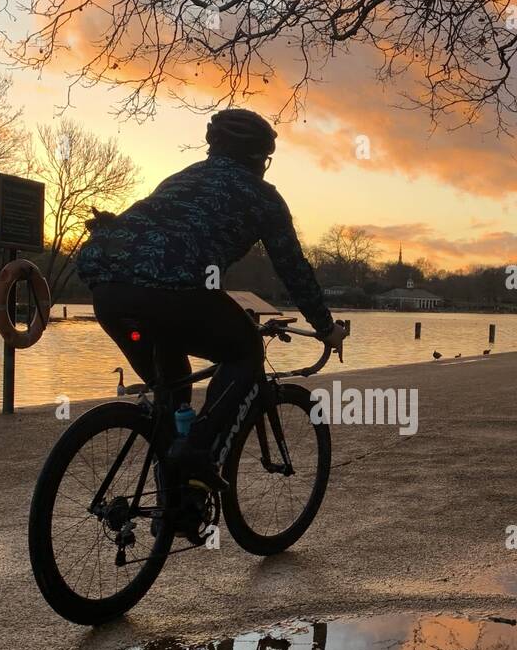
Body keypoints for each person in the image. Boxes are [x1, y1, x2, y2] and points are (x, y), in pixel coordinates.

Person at [76, 108, 347, 490]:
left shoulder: (180, 179)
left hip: (109, 294)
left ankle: (175, 494)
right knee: (245, 350)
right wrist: (325, 327)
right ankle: (196, 454)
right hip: (175, 294)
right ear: (259, 159)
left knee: (173, 390)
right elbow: (293, 270)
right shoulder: (263, 197)